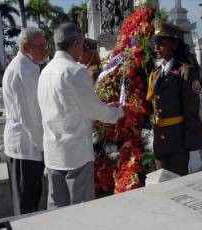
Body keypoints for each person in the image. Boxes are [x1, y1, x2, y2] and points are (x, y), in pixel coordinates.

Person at [37, 23, 128, 209]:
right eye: (82, 45)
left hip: (54, 150)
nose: (83, 50)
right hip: (75, 152)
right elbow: (92, 111)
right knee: (81, 210)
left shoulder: (45, 71)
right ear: (76, 44)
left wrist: (102, 107)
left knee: (57, 209)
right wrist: (119, 112)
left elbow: (69, 107)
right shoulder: (75, 70)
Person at [146, 19, 202, 176]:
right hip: (160, 143)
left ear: (175, 44)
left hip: (179, 145)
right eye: (155, 42)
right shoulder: (156, 73)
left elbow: (192, 113)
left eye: (162, 43)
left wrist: (193, 150)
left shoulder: (186, 72)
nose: (156, 47)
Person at [2, 27, 47, 215]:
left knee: (30, 200)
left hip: (29, 146)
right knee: (26, 206)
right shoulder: (22, 71)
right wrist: (43, 146)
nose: (45, 51)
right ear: (26, 47)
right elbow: (29, 116)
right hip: (26, 148)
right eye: (41, 47)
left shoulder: (29, 66)